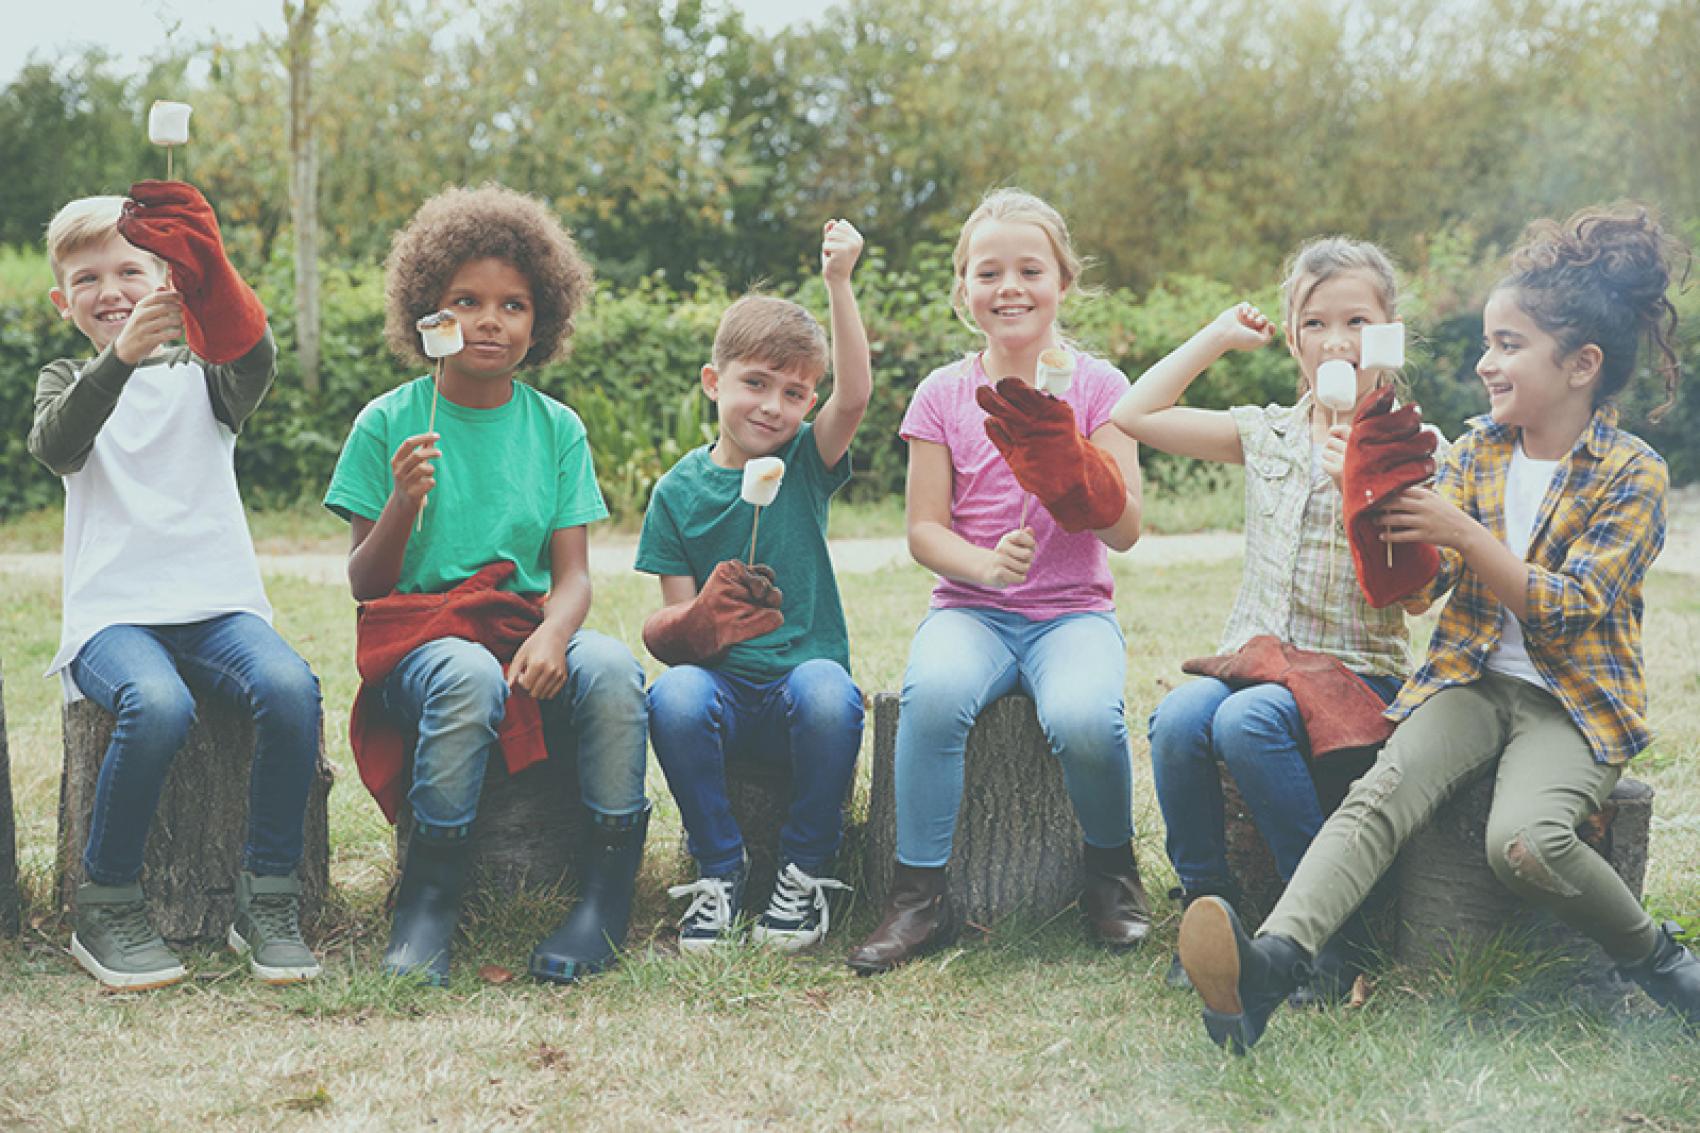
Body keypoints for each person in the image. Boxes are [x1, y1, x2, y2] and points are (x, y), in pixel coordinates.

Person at [1179, 205, 1700, 1052]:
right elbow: (1425, 594)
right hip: (1470, 679)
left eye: (1507, 345)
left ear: (1581, 365)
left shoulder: (1633, 472)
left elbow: (1569, 607)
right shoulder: (1470, 453)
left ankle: (1657, 958)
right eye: (1488, 342)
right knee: (1381, 796)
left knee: (1523, 843)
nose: (1484, 363)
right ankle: (1272, 964)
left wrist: (1462, 533)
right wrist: (1379, 512)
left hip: (1572, 702)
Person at [323, 184, 648, 986]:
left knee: (611, 671)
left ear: (543, 322)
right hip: (420, 646)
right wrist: (405, 497)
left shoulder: (555, 428)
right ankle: (429, 900)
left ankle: (606, 899)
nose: (490, 320)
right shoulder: (388, 422)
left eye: (514, 304)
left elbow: (573, 578)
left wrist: (551, 634)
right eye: (465, 300)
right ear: (426, 314)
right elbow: (366, 584)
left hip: (520, 629)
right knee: (466, 674)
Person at [1110, 237, 1434, 1000]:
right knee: (1180, 717)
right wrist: (1219, 335)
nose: (1337, 341)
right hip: (1257, 657)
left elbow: (1420, 598)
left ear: (1389, 333)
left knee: (1248, 722)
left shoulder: (1414, 449)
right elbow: (1133, 412)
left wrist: (1371, 491)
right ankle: (1209, 913)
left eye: (1357, 321)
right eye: (1315, 323)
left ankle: (1320, 931)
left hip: (1355, 670)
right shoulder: (1268, 434)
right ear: (1293, 338)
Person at [847, 188, 1147, 975]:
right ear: (963, 291)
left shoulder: (1101, 388)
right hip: (970, 610)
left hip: (1072, 612)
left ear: (1063, 281)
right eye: (989, 271)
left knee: (1086, 718)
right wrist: (982, 564)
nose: (1009, 286)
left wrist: (1078, 479)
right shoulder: (942, 395)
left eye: (1029, 269)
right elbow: (922, 529)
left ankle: (1111, 874)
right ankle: (918, 898)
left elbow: (1126, 527)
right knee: (933, 698)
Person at [31, 185, 322, 989]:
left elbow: (253, 355)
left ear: (165, 282)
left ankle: (266, 897)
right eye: (86, 280)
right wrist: (117, 360)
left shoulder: (206, 377)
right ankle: (108, 901)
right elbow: (58, 445)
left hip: (218, 608)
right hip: (112, 620)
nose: (109, 291)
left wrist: (212, 273)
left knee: (291, 687)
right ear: (63, 301)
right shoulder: (67, 378)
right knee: (157, 705)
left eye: (129, 271)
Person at [638, 220, 870, 952]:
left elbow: (857, 394)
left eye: (795, 392)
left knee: (834, 697)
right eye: (756, 384)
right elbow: (676, 630)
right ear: (715, 382)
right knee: (671, 698)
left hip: (803, 676)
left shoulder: (805, 458)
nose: (774, 406)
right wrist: (702, 617)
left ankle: (804, 866)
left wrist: (839, 281)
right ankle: (719, 868)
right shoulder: (676, 493)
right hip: (723, 690)